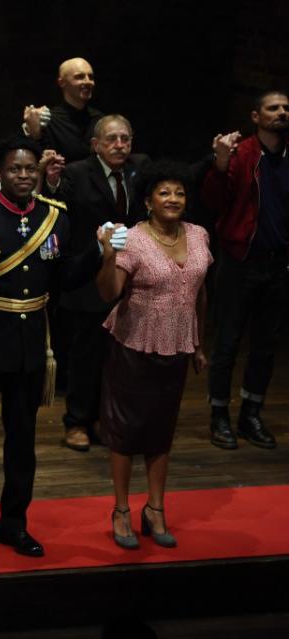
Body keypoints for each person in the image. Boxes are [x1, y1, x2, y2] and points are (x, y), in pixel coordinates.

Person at [0, 137, 105, 562]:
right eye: (15, 168)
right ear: (0, 172)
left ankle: (14, 524)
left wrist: (99, 252)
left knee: (23, 441)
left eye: (30, 169)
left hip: (30, 344)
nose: (23, 175)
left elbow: (64, 277)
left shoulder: (55, 217)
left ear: (39, 172)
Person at [97, 162, 212, 549]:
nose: (173, 199)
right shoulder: (131, 238)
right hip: (134, 344)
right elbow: (109, 292)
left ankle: (156, 508)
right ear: (148, 201)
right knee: (125, 431)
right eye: (164, 193)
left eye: (179, 193)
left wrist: (198, 343)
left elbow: (200, 294)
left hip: (177, 345)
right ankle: (120, 510)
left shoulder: (198, 235)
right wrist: (107, 255)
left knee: (162, 431)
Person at [44, 115, 149, 452]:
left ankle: (106, 419)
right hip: (87, 274)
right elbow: (57, 201)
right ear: (96, 145)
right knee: (85, 356)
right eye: (112, 140)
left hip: (130, 276)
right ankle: (76, 422)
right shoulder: (77, 172)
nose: (120, 145)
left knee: (118, 358)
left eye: (125, 139)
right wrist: (51, 182)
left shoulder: (139, 169)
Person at [203, 90, 289, 451]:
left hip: (279, 264)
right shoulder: (242, 154)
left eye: (286, 108)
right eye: (274, 108)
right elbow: (212, 201)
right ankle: (219, 415)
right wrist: (221, 164)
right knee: (227, 343)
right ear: (256, 116)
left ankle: (251, 413)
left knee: (266, 346)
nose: (282, 112)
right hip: (241, 261)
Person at [22, 57, 103, 162]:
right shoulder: (48, 121)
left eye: (91, 77)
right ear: (62, 82)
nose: (88, 82)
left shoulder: (100, 120)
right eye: (80, 77)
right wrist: (34, 133)